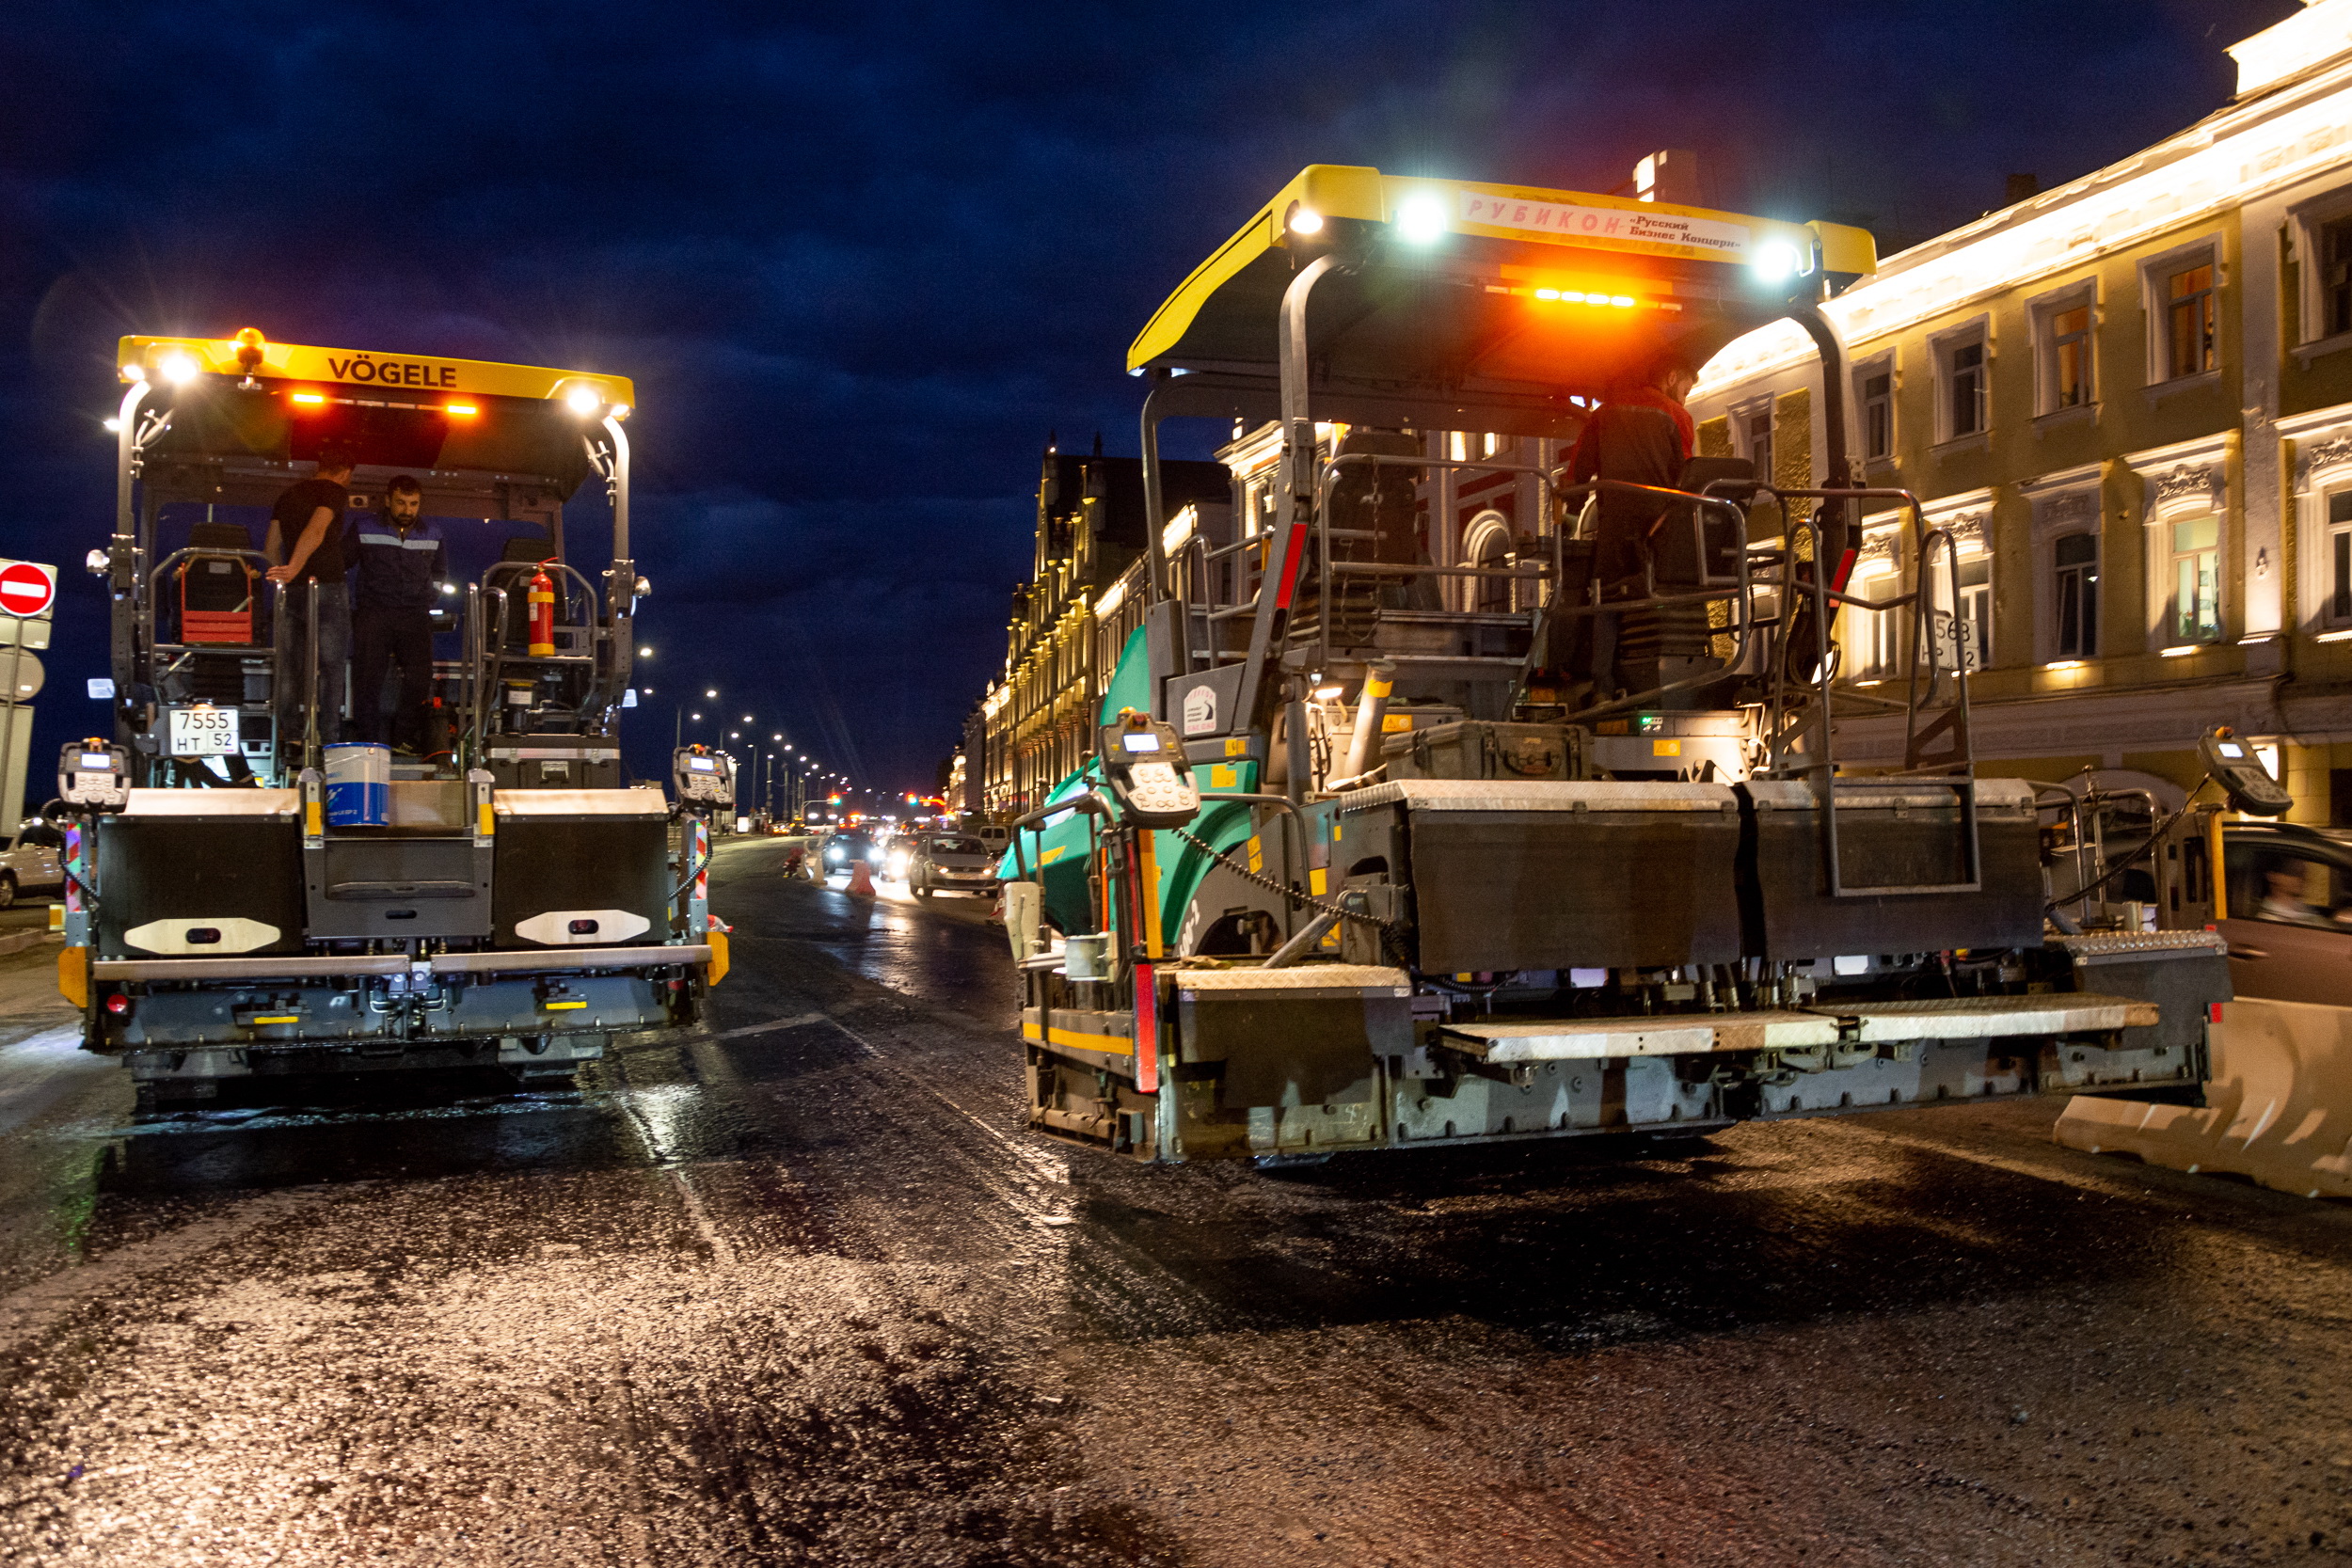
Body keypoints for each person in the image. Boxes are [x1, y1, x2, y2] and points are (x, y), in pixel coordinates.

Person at [349, 475, 448, 754]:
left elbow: (440, 572)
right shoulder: (364, 527)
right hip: (374, 613)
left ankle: (403, 738)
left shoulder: (433, 532)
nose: (408, 510)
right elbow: (340, 563)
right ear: (388, 500)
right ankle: (367, 741)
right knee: (368, 679)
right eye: (402, 503)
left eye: (414, 504)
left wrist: (431, 596)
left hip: (415, 614)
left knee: (420, 677)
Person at [265, 451, 356, 752]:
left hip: (292, 592)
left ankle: (289, 735)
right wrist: (295, 567)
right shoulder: (334, 491)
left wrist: (283, 574)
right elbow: (316, 529)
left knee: (291, 664)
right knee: (331, 666)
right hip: (327, 585)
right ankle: (330, 737)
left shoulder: (288, 494)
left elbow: (271, 544)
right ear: (345, 473)